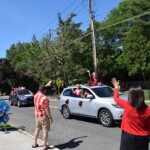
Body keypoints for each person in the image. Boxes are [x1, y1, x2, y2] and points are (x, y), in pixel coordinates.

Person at [111, 78, 150, 150]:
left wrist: (116, 87)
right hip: (142, 138)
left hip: (128, 136)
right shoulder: (148, 110)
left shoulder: (127, 105)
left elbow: (116, 98)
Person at [33, 81, 53, 150]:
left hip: (37, 115)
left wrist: (46, 85)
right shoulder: (45, 98)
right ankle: (45, 146)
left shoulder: (36, 95)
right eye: (45, 90)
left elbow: (40, 89)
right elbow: (47, 109)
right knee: (45, 131)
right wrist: (50, 118)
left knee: (37, 129)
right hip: (44, 117)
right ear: (44, 91)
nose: (46, 91)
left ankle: (35, 143)